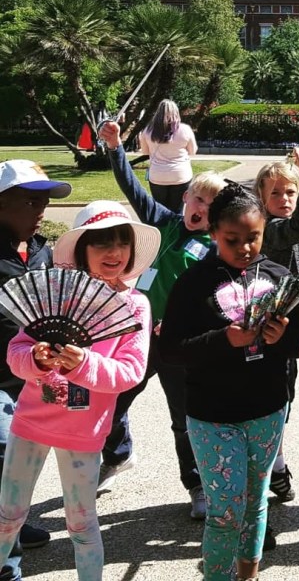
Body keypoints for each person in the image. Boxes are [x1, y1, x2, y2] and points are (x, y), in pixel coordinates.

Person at [0, 200, 159, 580]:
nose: (114, 253)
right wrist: (35, 359)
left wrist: (83, 364)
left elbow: (130, 372)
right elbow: (15, 352)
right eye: (102, 243)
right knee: (7, 516)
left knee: (82, 525)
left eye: (122, 243)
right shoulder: (59, 297)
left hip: (83, 432)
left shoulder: (135, 306)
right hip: (31, 422)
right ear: (83, 251)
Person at [159, 182, 299, 581]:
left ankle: (250, 574)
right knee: (225, 511)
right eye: (232, 239)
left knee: (256, 503)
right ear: (213, 234)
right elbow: (170, 350)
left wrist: (282, 338)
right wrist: (223, 339)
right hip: (212, 415)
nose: (244, 248)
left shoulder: (279, 276)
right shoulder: (193, 284)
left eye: (253, 238)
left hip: (267, 408)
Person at [95, 121, 225, 519]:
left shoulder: (215, 250)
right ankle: (117, 455)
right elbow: (132, 188)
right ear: (186, 196)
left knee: (184, 420)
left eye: (211, 206)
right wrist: (116, 148)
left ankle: (197, 485)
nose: (201, 209)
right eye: (198, 199)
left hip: (177, 344)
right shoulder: (164, 221)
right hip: (139, 337)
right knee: (110, 402)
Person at [0, 160, 72, 578]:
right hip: (0, 378)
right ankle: (8, 562)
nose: (40, 210)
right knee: (5, 452)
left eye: (43, 202)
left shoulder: (43, 251)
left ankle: (14, 516)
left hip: (34, 376)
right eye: (29, 201)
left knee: (24, 459)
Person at [252, 147, 299, 510]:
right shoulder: (273, 230)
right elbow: (298, 227)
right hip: (270, 328)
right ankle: (272, 467)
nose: (284, 199)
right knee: (274, 399)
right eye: (275, 193)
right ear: (261, 198)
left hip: (292, 329)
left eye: (290, 191)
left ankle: (274, 458)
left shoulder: (289, 232)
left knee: (285, 397)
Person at [138, 99, 198, 213]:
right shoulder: (185, 129)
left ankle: (161, 230)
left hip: (157, 176)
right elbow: (192, 151)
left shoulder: (148, 131)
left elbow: (145, 152)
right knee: (177, 211)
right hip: (180, 175)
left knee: (160, 211)